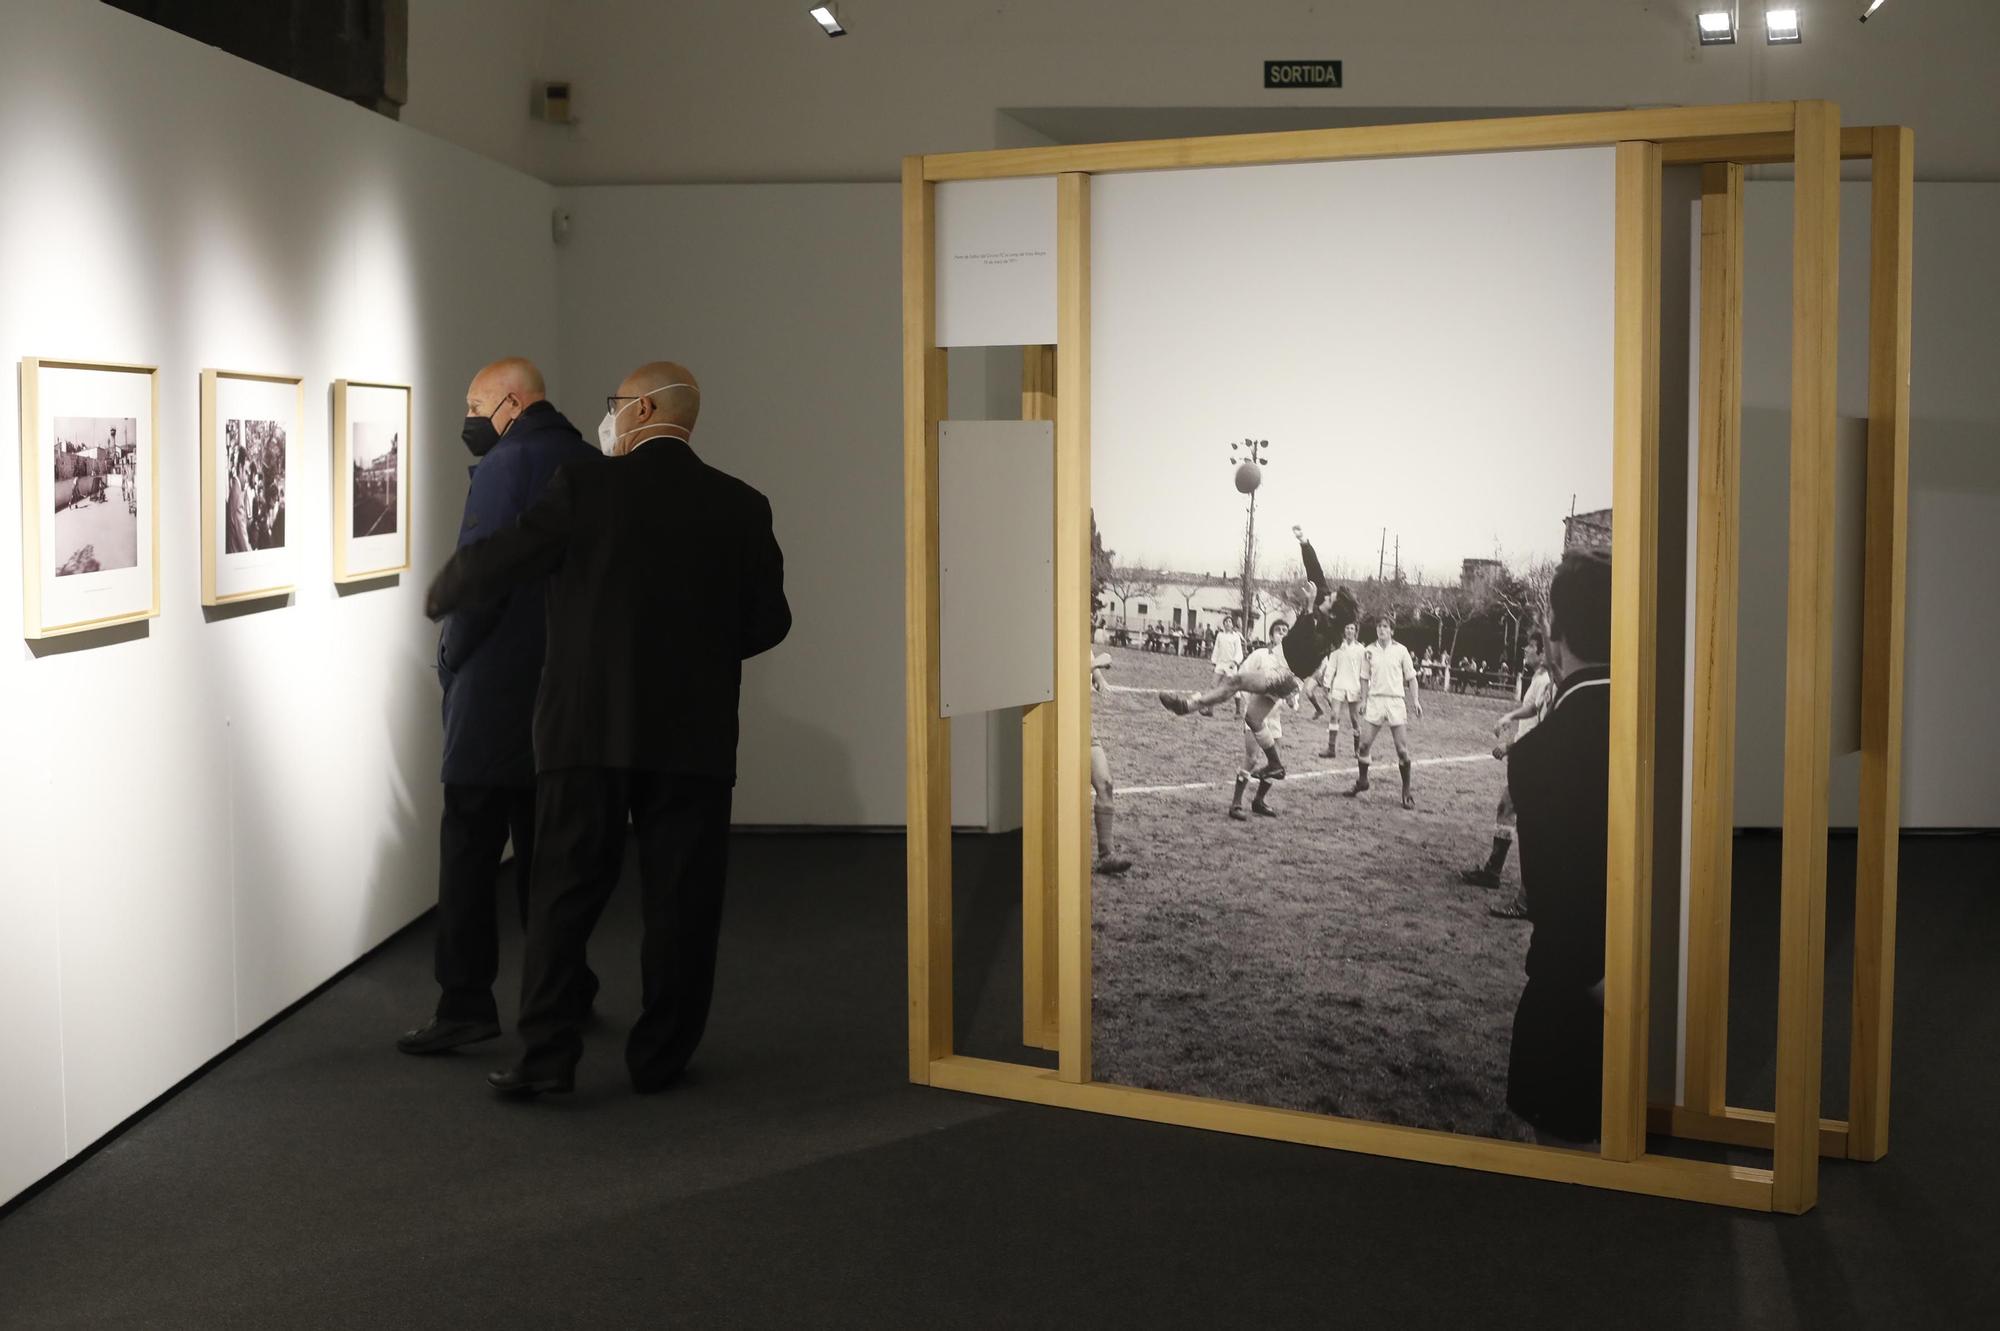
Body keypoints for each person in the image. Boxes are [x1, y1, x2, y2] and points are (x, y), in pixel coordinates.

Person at [425, 361, 790, 1099]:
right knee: (681, 905)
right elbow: (769, 621)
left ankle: (546, 1057)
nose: (608, 416)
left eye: (615, 404)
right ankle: (659, 1059)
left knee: (562, 895)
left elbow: (507, 556)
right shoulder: (742, 506)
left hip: (584, 733)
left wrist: (448, 589)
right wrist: (700, 656)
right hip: (693, 739)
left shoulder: (586, 488)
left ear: (645, 408)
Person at [399, 357, 601, 1057]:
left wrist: (452, 660)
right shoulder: (588, 458)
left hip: (494, 696)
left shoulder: (504, 465)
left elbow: (478, 576)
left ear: (512, 402)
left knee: (469, 854)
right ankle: (564, 990)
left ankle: (464, 1002)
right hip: (564, 693)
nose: (469, 418)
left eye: (475, 403)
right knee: (550, 860)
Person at [1505, 549, 1613, 1148]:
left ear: (1555, 633)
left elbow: (1559, 906)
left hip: (1579, 1005)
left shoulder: (1542, 755)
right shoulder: (1666, 724)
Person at [1158, 526, 1359, 784]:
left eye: (1329, 599)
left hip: (1287, 674)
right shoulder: (1323, 597)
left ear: (1333, 614)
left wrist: (1309, 609)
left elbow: (1308, 643)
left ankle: (1187, 706)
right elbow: (1315, 570)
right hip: (1279, 661)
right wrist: (1304, 542)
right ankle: (1275, 764)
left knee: (1235, 680)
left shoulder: (1330, 637)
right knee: (1253, 718)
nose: (1326, 594)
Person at [1461, 629, 1554, 916]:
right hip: (1528, 758)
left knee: (1529, 825)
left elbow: (1540, 724)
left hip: (1535, 760)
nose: (1525, 650)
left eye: (1530, 647)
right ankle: (1494, 872)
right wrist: (1510, 719)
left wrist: (1509, 745)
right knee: (1507, 809)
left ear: (1542, 653)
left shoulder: (1548, 681)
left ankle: (1526, 896)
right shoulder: (1539, 679)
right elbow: (1530, 710)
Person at [1346, 616, 1423, 808]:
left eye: (1385, 627)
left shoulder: (1401, 650)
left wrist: (1415, 701)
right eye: (1379, 626)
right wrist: (1363, 700)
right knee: (1363, 746)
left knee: (1402, 750)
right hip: (1375, 701)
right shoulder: (1369, 651)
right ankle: (1363, 781)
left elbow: (1412, 678)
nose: (1381, 630)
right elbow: (1364, 677)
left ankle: (1406, 791)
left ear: (1392, 631)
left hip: (1396, 702)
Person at [1227, 627, 1292, 820]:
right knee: (1252, 758)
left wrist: (1291, 701)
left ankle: (1259, 800)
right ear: (1271, 636)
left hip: (1274, 717)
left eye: (1286, 631)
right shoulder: (1260, 655)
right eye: (1279, 631)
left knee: (1276, 761)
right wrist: (1249, 703)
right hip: (1255, 716)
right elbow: (1241, 677)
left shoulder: (1288, 663)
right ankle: (1236, 803)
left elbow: (1292, 693)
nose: (1282, 634)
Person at [1090, 653, 1133, 874]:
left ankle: (1106, 856)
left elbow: (1097, 679)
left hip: (1083, 724)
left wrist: (1101, 680)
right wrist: (1095, 663)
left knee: (1105, 784)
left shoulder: (1079, 639)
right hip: (1053, 722)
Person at [1321, 622, 1366, 758]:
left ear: (1356, 631)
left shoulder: (1361, 650)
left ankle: (1357, 750)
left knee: (1354, 719)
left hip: (1354, 687)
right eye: (1347, 628)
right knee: (1334, 715)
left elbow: (1365, 671)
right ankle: (1331, 749)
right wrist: (1326, 685)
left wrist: (1365, 692)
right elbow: (1331, 668)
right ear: (1344, 630)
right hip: (1339, 686)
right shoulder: (1337, 649)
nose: (1349, 631)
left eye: (1352, 628)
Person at [1210, 615, 1247, 717]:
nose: (1227, 623)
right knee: (1213, 685)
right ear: (1224, 624)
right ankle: (1210, 709)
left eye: (1229, 622)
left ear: (1232, 624)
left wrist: (1234, 662)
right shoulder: (1220, 635)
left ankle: (1238, 711)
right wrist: (1214, 662)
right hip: (1220, 664)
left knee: (1234, 687)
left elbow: (1239, 652)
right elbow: (1216, 649)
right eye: (1225, 622)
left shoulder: (1236, 637)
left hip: (1231, 664)